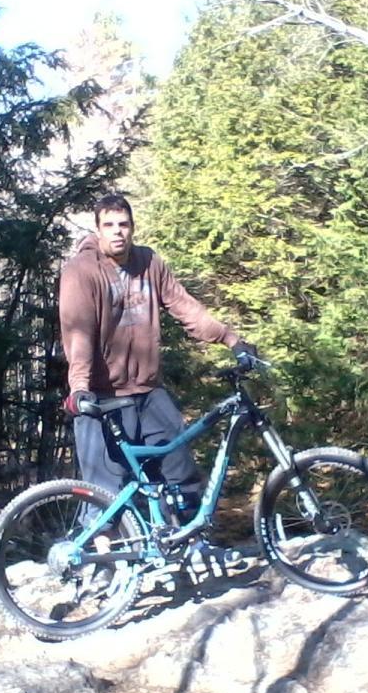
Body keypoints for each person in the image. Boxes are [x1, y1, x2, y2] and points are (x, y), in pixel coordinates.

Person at [59, 193, 255, 518]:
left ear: (133, 227)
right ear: (98, 229)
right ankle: (103, 564)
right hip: (102, 397)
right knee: (104, 494)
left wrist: (230, 339)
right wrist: (79, 388)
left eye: (123, 224)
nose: (117, 231)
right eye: (109, 225)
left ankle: (190, 547)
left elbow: (185, 307)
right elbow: (78, 334)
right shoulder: (81, 272)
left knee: (181, 474)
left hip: (149, 392)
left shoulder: (148, 262)